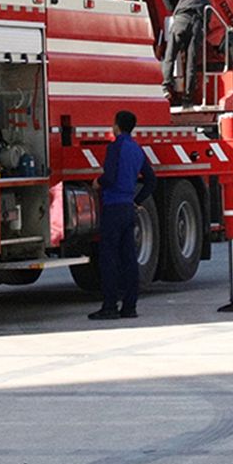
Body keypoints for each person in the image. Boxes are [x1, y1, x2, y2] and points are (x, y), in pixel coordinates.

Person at [89, 110, 155, 320]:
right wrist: (137, 200)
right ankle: (130, 306)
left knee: (109, 258)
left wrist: (98, 182)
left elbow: (110, 177)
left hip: (113, 207)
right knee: (129, 258)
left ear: (116, 126)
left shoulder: (115, 147)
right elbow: (151, 179)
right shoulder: (136, 149)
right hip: (128, 207)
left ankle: (110, 306)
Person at [160, 0, 210, 105]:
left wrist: (174, 11)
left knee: (170, 55)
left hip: (181, 21)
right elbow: (207, 22)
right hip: (196, 25)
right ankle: (188, 97)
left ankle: (166, 86)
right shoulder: (207, 1)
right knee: (191, 62)